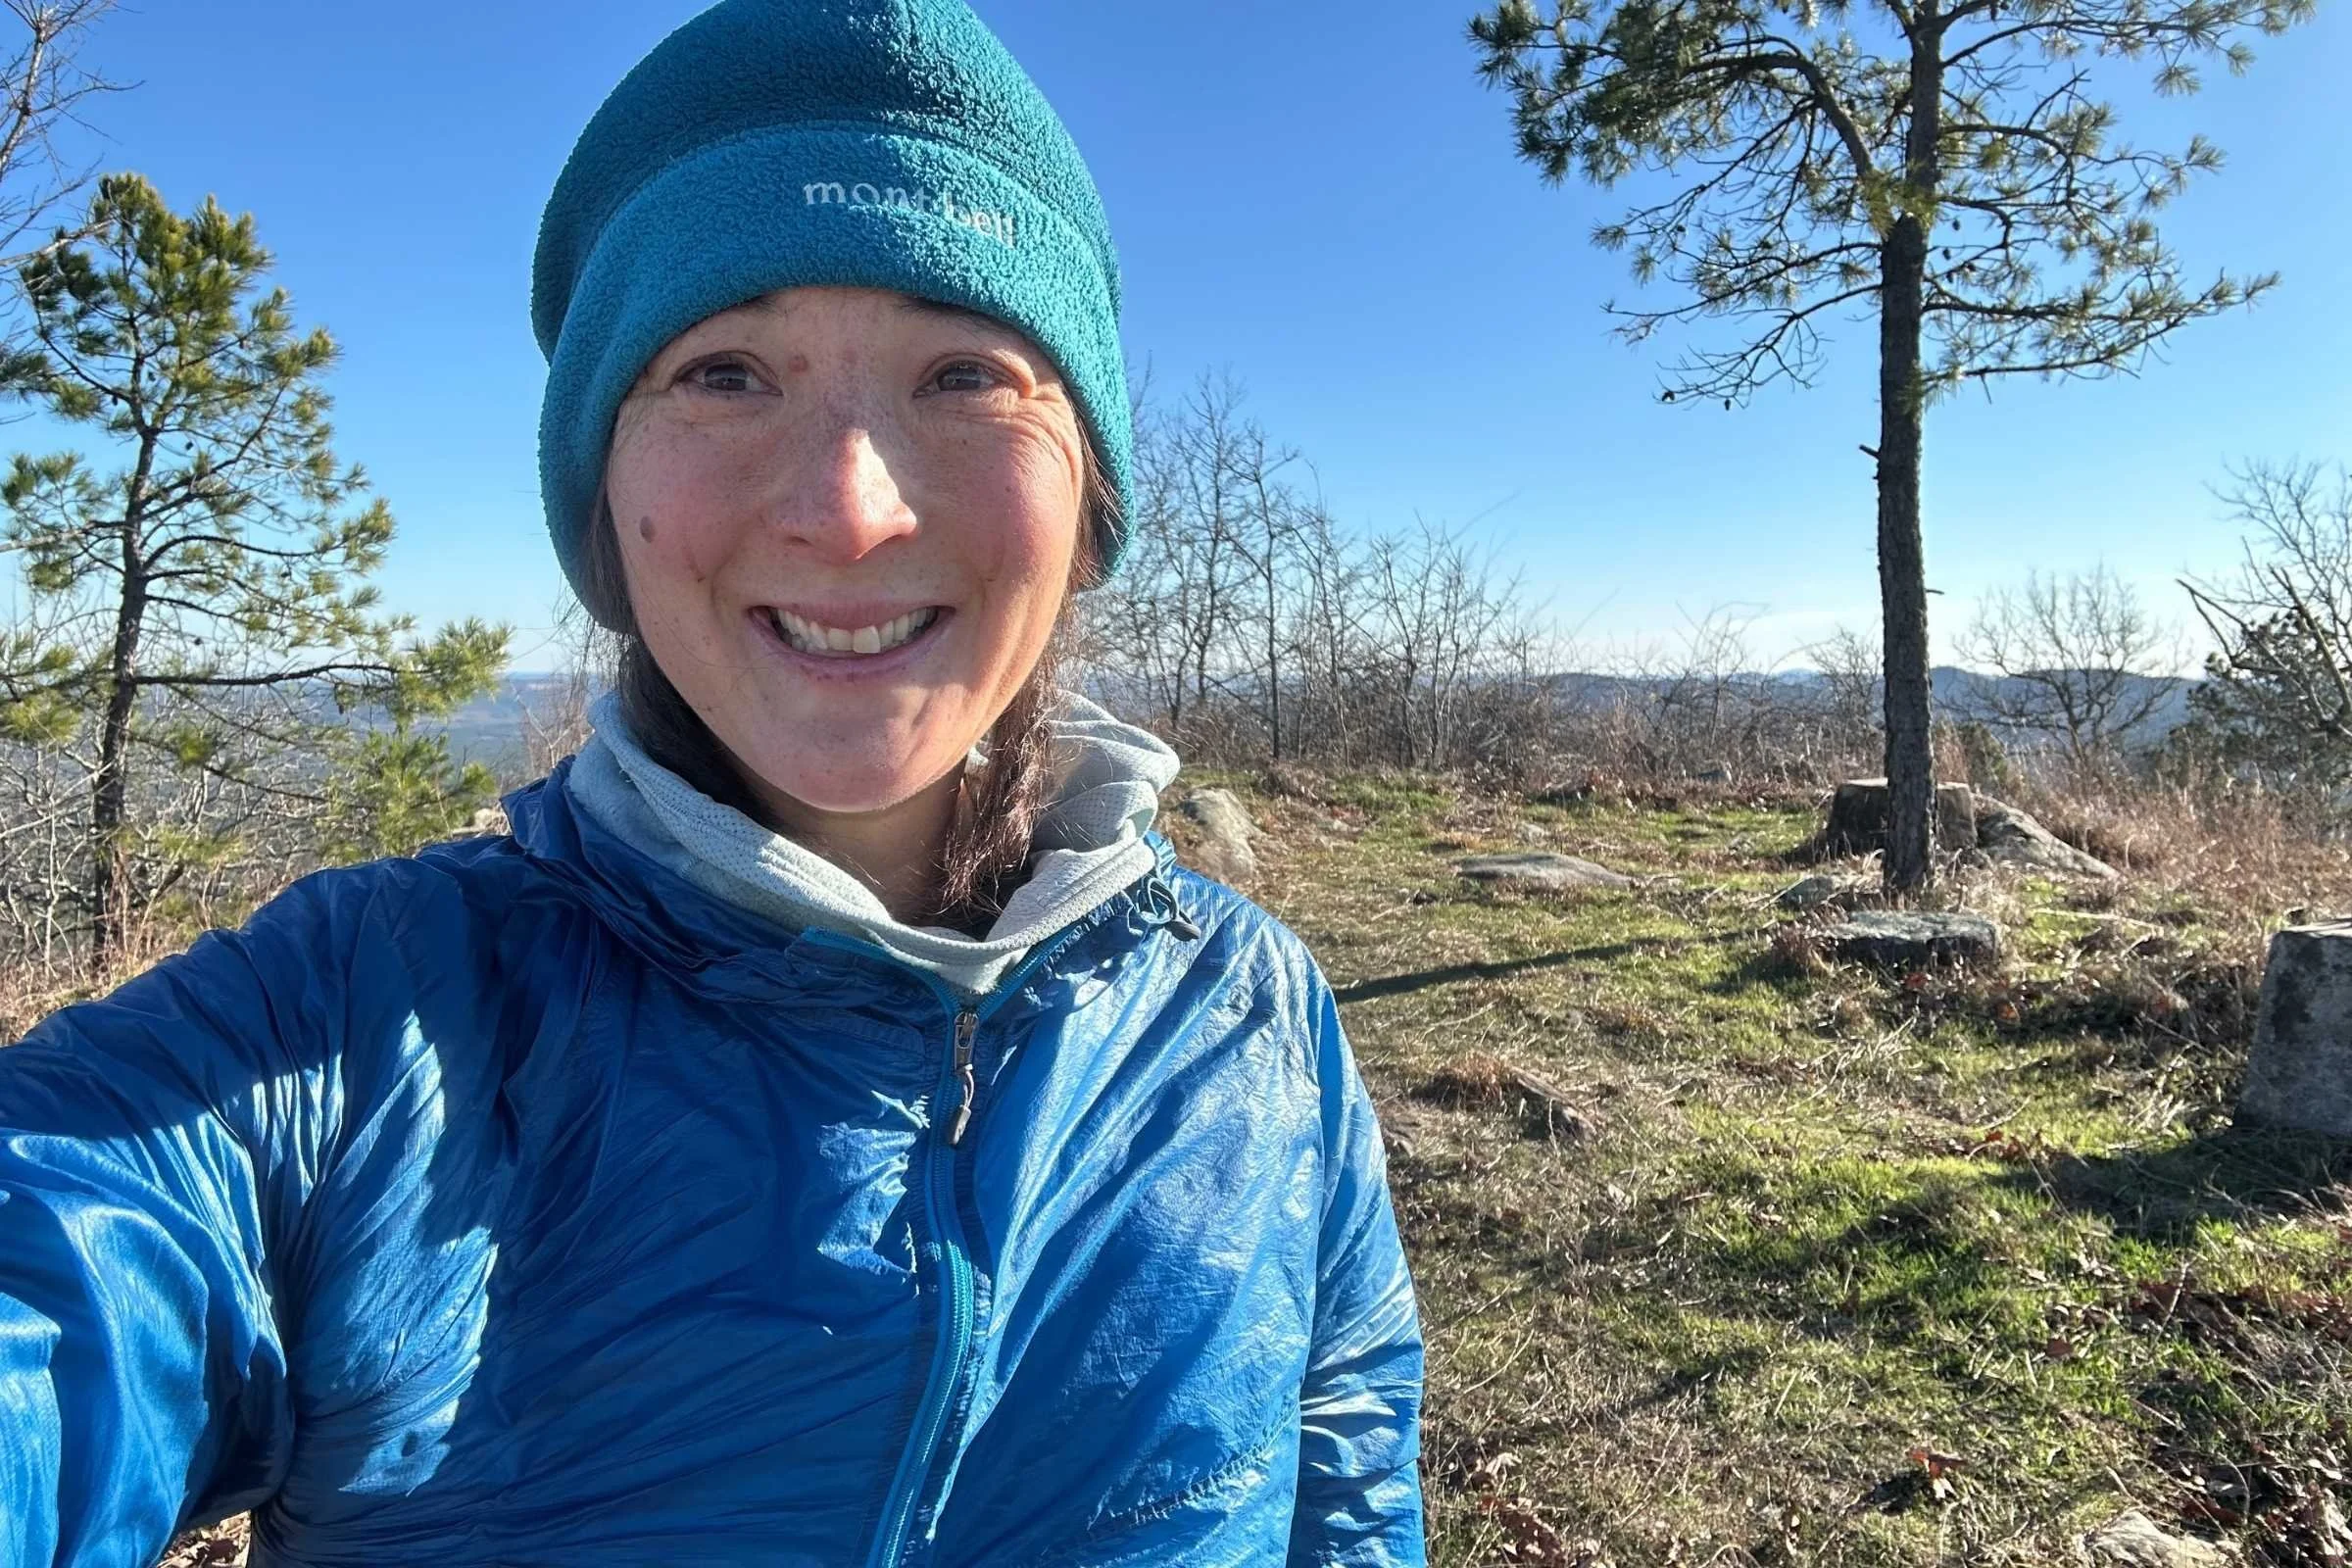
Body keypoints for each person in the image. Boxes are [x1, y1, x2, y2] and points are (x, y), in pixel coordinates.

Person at [0, 1, 1427, 1563]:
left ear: (1086, 496)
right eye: (727, 372)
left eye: (964, 373)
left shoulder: (1253, 1020)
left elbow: (1351, 1502)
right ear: (603, 511)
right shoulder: (351, 1036)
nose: (848, 507)